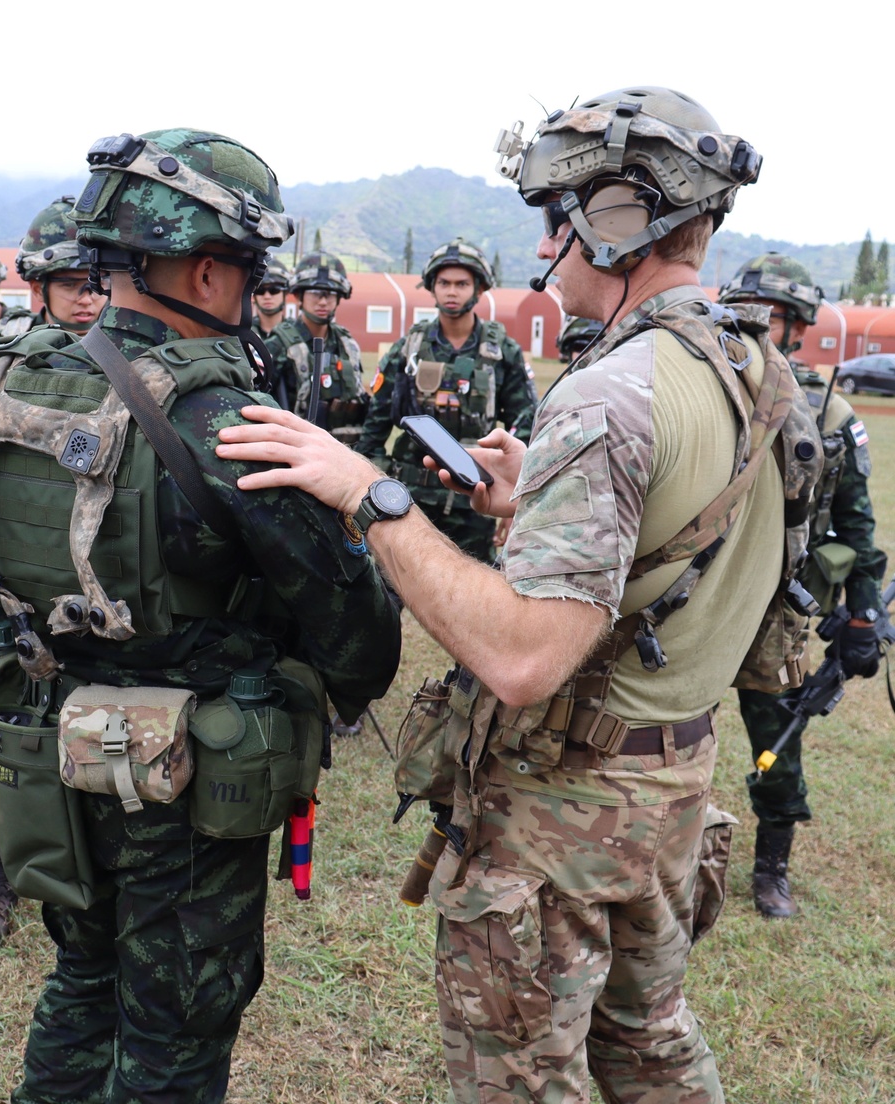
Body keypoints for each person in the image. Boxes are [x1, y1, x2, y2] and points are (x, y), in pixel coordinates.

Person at [215, 87, 793, 1103]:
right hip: (672, 784)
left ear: (619, 220)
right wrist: (537, 501)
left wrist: (371, 495)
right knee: (649, 1043)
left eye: (554, 222)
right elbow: (673, 551)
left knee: (525, 1076)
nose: (542, 253)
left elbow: (523, 656)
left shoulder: (609, 393)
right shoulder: (749, 363)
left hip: (567, 816)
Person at [0, 128, 400, 1101]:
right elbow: (356, 639)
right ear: (204, 273)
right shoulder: (222, 420)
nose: (253, 291)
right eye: (248, 269)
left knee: (81, 979)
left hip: (50, 751)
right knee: (176, 1036)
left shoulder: (11, 377)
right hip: (183, 781)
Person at [0, 198, 108, 950]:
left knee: (108, 744)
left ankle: (95, 879)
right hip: (16, 593)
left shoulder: (135, 362)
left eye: (99, 280)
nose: (89, 295)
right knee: (6, 743)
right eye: (72, 280)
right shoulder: (6, 356)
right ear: (39, 283)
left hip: (101, 592)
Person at [719, 253, 887, 918]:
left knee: (777, 739)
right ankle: (661, 845)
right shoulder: (707, 392)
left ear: (799, 328)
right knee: (669, 727)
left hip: (779, 608)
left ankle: (771, 866)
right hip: (699, 600)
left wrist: (864, 615)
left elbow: (857, 521)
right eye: (751, 316)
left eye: (779, 319)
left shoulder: (830, 413)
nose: (763, 330)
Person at [356, 239, 537, 560]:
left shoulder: (502, 352)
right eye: (444, 283)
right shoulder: (408, 347)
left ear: (479, 288)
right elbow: (376, 424)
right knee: (392, 590)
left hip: (474, 499)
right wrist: (373, 483)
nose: (452, 291)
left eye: (462, 284)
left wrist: (516, 499)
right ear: (432, 287)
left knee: (471, 597)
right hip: (409, 497)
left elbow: (524, 423)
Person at [265, 250, 368, 443]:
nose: (322, 301)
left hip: (343, 450)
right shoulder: (279, 344)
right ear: (299, 296)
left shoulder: (347, 345)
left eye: (330, 294)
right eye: (314, 293)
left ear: (339, 298)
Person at [252, 255, 289, 340]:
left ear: (285, 293)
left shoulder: (298, 333)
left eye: (274, 290)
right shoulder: (243, 333)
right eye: (260, 291)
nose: (267, 296)